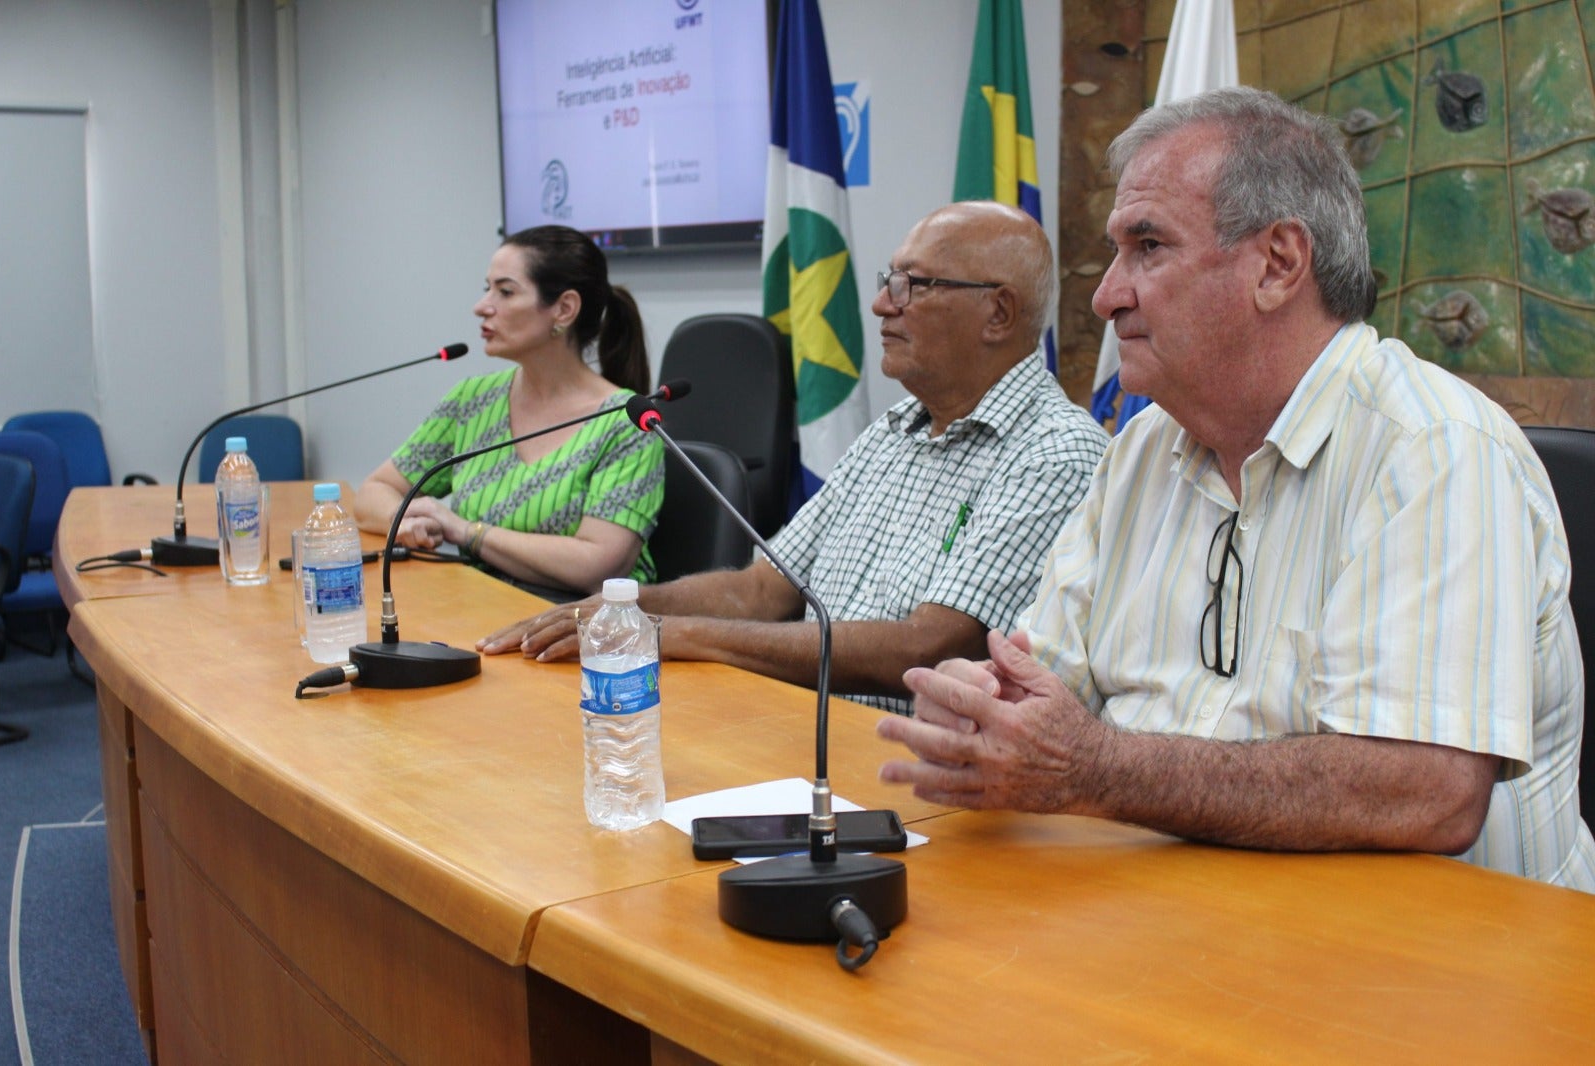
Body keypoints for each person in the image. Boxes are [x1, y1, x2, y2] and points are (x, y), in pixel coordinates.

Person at [876, 87, 1595, 891]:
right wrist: (987, 706)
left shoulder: (1434, 449)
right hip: (1185, 914)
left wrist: (1095, 768)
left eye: (1148, 246)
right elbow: (1044, 684)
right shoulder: (1140, 451)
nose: (1106, 295)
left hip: (1439, 950)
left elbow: (1424, 793)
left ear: (1279, 264)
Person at [480, 201, 1109, 714]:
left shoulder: (1055, 452)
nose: (882, 305)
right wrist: (625, 607)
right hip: (790, 722)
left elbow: (927, 647)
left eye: (912, 285)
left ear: (998, 312)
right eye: (888, 281)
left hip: (902, 767)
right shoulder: (892, 431)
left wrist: (675, 635)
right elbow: (761, 589)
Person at [356, 225, 664, 596]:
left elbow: (597, 564)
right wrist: (405, 521)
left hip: (582, 622)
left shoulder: (627, 423)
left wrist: (466, 532)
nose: (481, 306)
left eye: (505, 291)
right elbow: (374, 491)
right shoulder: (472, 400)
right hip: (478, 605)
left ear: (564, 309)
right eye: (487, 288)